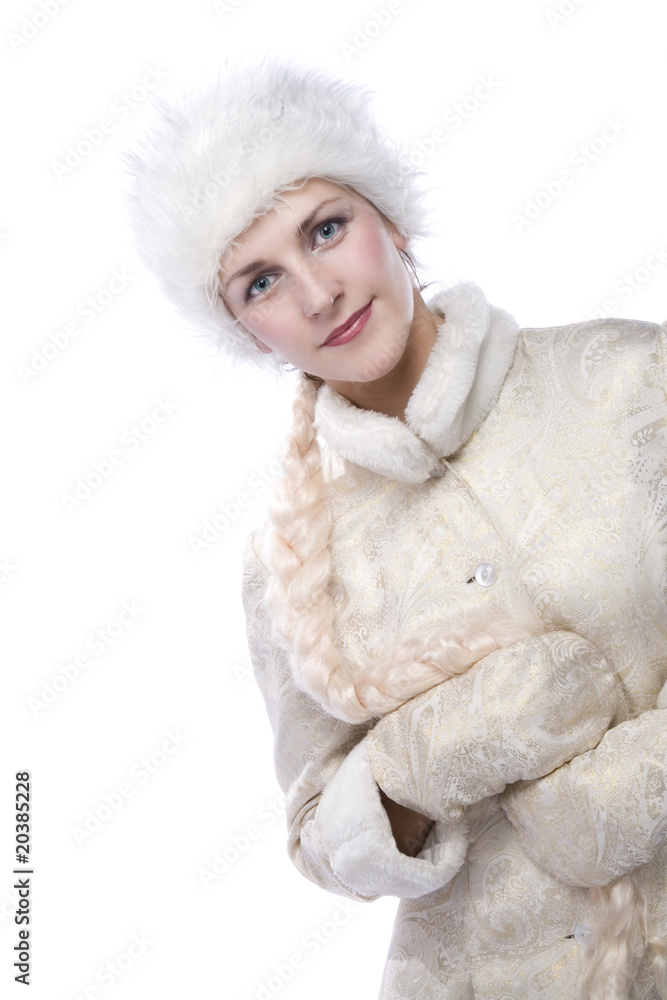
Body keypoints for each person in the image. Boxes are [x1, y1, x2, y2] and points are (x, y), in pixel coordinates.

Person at [123, 58, 667, 999]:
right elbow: (318, 843)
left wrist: (638, 779)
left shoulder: (631, 381)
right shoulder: (285, 564)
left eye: (325, 230)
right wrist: (432, 757)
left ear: (392, 221)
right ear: (247, 332)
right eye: (260, 282)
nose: (317, 294)